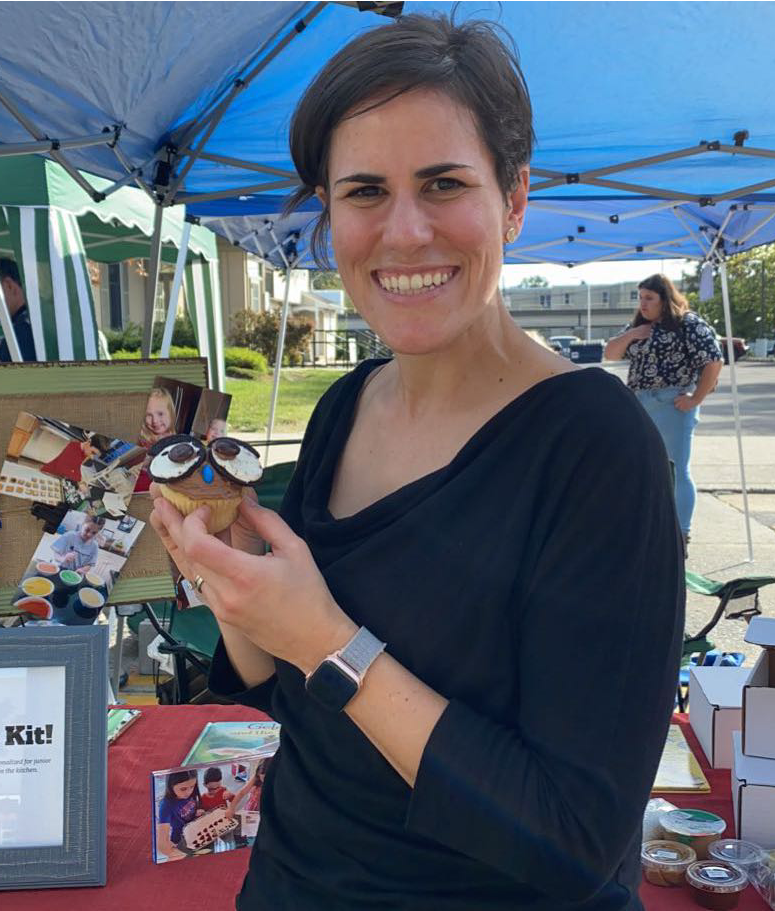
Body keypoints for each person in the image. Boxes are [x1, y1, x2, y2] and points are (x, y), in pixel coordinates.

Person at [148, 15, 682, 910]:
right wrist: (223, 570)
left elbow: (576, 836)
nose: (403, 233)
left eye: (443, 184)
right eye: (364, 192)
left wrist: (329, 639)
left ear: (513, 200)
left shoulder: (597, 446)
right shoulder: (343, 407)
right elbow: (296, 701)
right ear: (329, 214)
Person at [604, 273, 724, 549]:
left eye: (649, 298)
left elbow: (714, 360)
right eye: (640, 297)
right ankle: (647, 527)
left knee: (676, 469)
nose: (643, 304)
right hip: (639, 402)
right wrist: (634, 333)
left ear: (665, 299)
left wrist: (696, 398)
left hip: (672, 402)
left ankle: (681, 532)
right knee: (642, 467)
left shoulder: (687, 323)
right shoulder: (639, 326)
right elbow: (610, 353)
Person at [155, 769, 202, 861]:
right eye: (183, 789)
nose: (188, 792)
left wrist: (196, 812)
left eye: (192, 787)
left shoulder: (191, 793)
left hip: (195, 832)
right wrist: (173, 853)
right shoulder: (166, 805)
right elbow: (162, 842)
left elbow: (192, 806)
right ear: (171, 786)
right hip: (180, 840)